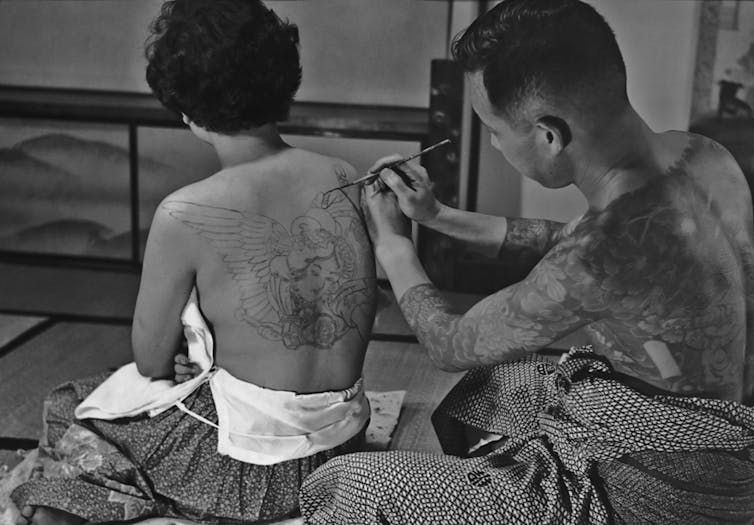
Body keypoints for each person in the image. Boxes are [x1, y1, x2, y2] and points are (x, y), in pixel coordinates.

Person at [299, 1, 754, 523]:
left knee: (351, 487)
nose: (493, 144)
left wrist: (394, 245)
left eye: (493, 130)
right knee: (489, 388)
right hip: (713, 435)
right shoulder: (702, 155)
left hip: (663, 494)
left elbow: (450, 343)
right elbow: (581, 245)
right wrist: (437, 214)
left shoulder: (600, 254)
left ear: (548, 135)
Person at [12, 1, 376, 524]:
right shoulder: (344, 175)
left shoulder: (185, 213)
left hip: (247, 476)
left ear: (185, 108)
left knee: (69, 404)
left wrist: (185, 354)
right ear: (284, 82)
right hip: (343, 459)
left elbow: (151, 362)